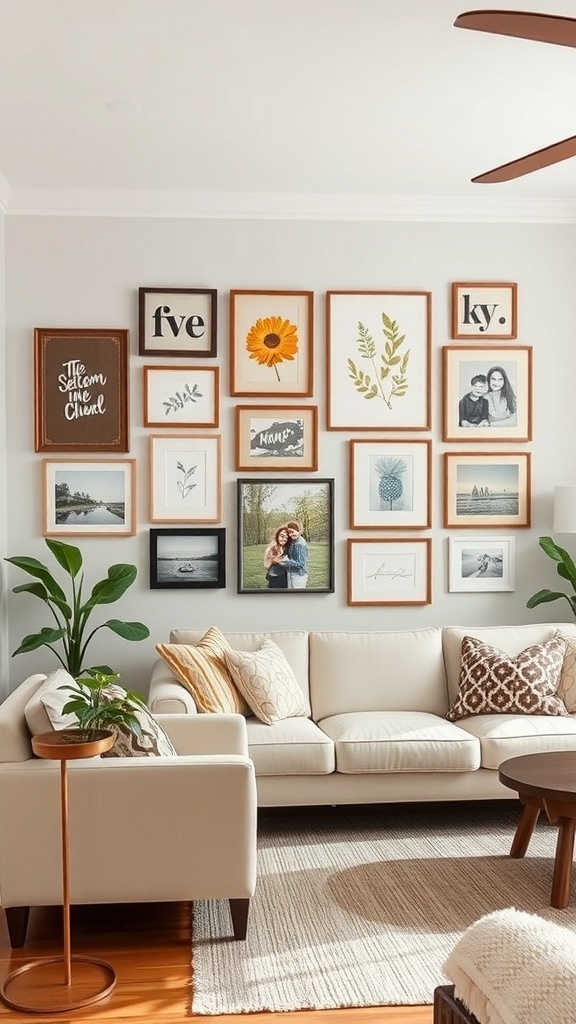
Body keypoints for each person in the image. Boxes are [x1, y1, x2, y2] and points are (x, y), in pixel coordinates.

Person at [283, 521, 308, 589]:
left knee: (297, 597)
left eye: (292, 532)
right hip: (292, 573)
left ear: (298, 530)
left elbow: (300, 563)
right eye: (289, 533)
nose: (290, 534)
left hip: (298, 576)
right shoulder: (295, 541)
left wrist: (285, 561)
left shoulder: (299, 544)